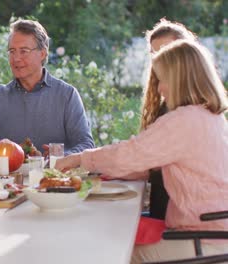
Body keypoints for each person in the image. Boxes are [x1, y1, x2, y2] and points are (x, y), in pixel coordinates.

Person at [55, 40, 228, 263]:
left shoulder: (184, 121)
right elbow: (144, 162)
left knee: (109, 252)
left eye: (162, 80)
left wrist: (80, 159)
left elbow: (129, 155)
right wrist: (100, 168)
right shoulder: (210, 117)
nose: (159, 89)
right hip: (216, 233)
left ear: (178, 81)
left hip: (205, 239)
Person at [0, 19, 94, 156]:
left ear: (43, 53)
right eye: (12, 51)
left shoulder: (67, 95)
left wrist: (60, 156)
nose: (16, 58)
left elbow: (86, 144)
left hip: (54, 176)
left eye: (23, 51)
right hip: (8, 177)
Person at [143, 18, 198, 220]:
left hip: (180, 219)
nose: (159, 59)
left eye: (166, 51)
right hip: (164, 209)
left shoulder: (191, 107)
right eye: (155, 54)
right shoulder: (167, 99)